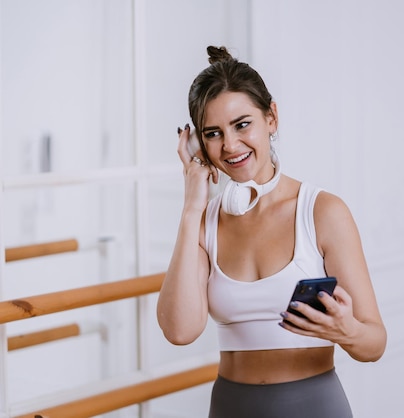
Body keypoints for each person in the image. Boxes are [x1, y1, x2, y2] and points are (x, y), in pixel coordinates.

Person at [157, 45, 386, 418]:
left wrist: (347, 330)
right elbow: (179, 331)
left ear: (271, 118)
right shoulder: (204, 222)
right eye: (213, 133)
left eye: (242, 124)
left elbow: (375, 343)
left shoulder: (323, 212)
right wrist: (191, 207)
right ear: (198, 144)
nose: (230, 145)